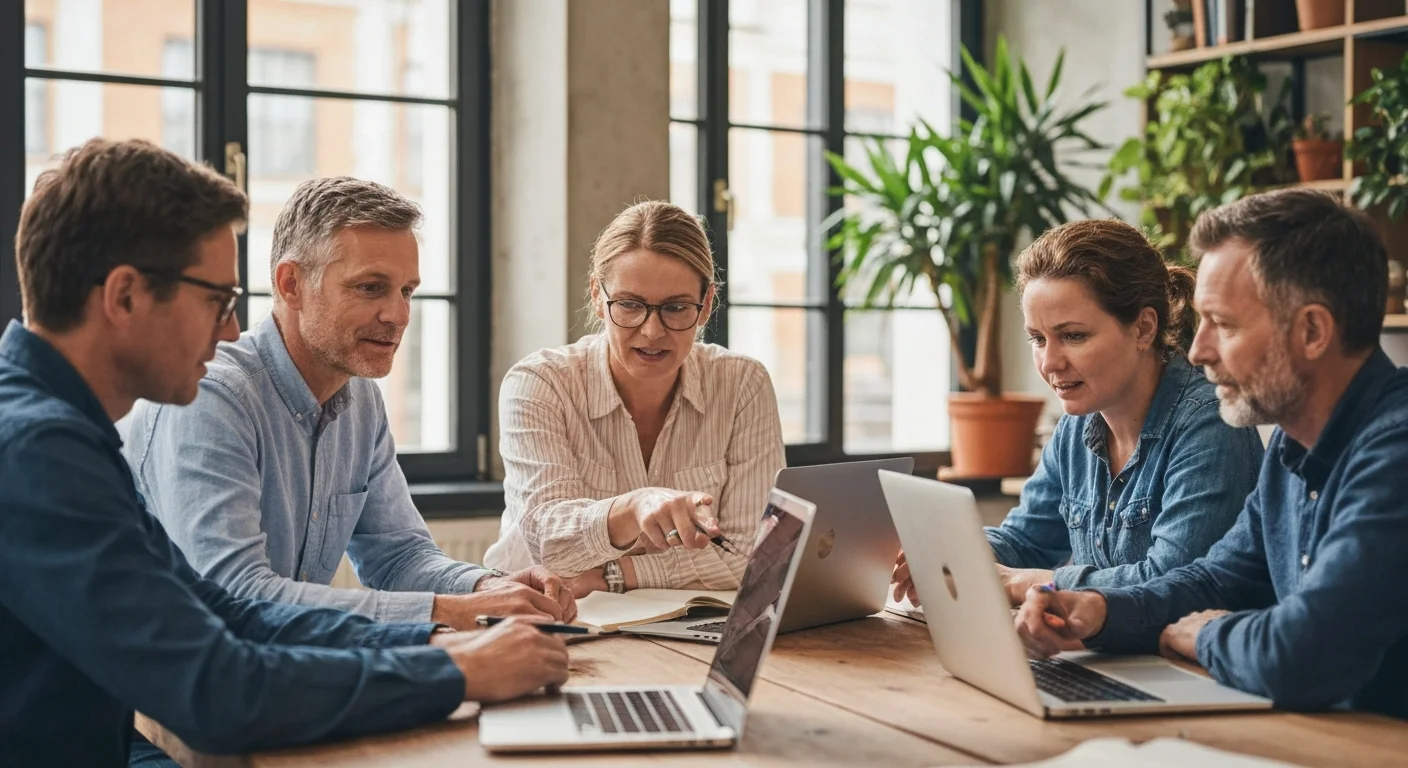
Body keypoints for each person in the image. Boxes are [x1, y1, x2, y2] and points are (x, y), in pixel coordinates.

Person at [0, 138, 569, 768]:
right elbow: (217, 690)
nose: (229, 331)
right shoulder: (36, 452)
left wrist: (438, 642)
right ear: (126, 297)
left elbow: (222, 610)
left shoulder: (65, 435)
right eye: (217, 301)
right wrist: (451, 673)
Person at [1015, 189, 1408, 720]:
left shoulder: (1395, 449)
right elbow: (1216, 579)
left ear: (1312, 331)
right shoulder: (1293, 443)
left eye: (1223, 324)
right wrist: (1098, 610)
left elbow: (1305, 651)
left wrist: (1210, 634)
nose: (1198, 350)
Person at [125, 177, 575, 630]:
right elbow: (238, 596)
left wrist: (488, 589)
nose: (398, 316)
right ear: (291, 284)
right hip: (188, 688)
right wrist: (446, 612)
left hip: (289, 671)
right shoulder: (211, 397)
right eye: (370, 288)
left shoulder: (361, 400)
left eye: (406, 291)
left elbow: (398, 557)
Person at [893, 219, 1264, 607]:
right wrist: (946, 553)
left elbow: (1169, 583)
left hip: (1192, 663)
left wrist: (1032, 583)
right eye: (1038, 338)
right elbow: (1025, 541)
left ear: (1143, 328)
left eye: (1073, 336)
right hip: (1112, 654)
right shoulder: (1077, 426)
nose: (1050, 363)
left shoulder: (1209, 423)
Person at [484, 200, 786, 594]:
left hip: (683, 625)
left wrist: (614, 576)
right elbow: (548, 544)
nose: (651, 331)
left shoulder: (743, 385)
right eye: (629, 305)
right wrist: (633, 507)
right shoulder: (540, 383)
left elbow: (758, 555)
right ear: (597, 295)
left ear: (706, 303)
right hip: (552, 618)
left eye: (676, 308)